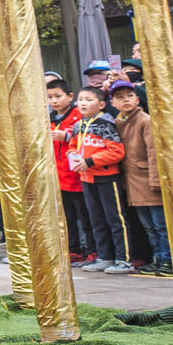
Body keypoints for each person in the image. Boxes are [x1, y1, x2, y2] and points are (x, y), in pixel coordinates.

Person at [67, 85, 130, 274]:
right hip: (87, 178)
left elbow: (116, 152)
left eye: (89, 99)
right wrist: (73, 155)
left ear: (102, 104)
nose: (83, 103)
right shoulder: (79, 125)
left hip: (107, 177)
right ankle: (104, 256)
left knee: (115, 219)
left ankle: (123, 259)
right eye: (81, 99)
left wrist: (91, 160)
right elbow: (72, 145)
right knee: (97, 219)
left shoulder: (105, 124)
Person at [111, 80, 170, 275]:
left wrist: (156, 180)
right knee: (148, 227)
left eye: (129, 96)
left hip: (148, 180)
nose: (125, 100)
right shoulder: (120, 121)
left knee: (161, 225)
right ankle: (157, 258)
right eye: (119, 97)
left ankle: (167, 260)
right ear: (112, 103)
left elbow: (154, 152)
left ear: (137, 98)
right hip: (133, 182)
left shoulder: (145, 120)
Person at [47, 76, 90, 263]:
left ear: (70, 96)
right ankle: (73, 249)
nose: (54, 101)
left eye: (58, 96)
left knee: (85, 216)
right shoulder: (49, 118)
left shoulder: (78, 116)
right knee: (67, 218)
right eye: (50, 97)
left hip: (78, 175)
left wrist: (67, 136)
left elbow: (85, 136)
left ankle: (92, 249)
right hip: (59, 176)